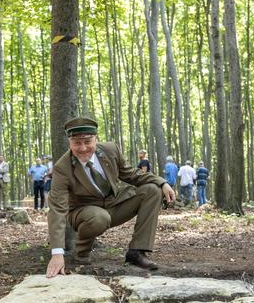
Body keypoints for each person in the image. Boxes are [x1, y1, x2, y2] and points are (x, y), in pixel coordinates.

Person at [46, 117, 175, 278]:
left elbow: (132, 175)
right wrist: (57, 253)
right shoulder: (62, 168)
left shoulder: (110, 150)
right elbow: (57, 209)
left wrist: (162, 183)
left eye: (87, 141)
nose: (83, 148)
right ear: (69, 143)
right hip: (84, 213)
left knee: (152, 190)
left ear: (95, 138)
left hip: (114, 205)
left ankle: (137, 252)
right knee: (99, 217)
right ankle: (81, 252)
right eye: (77, 143)